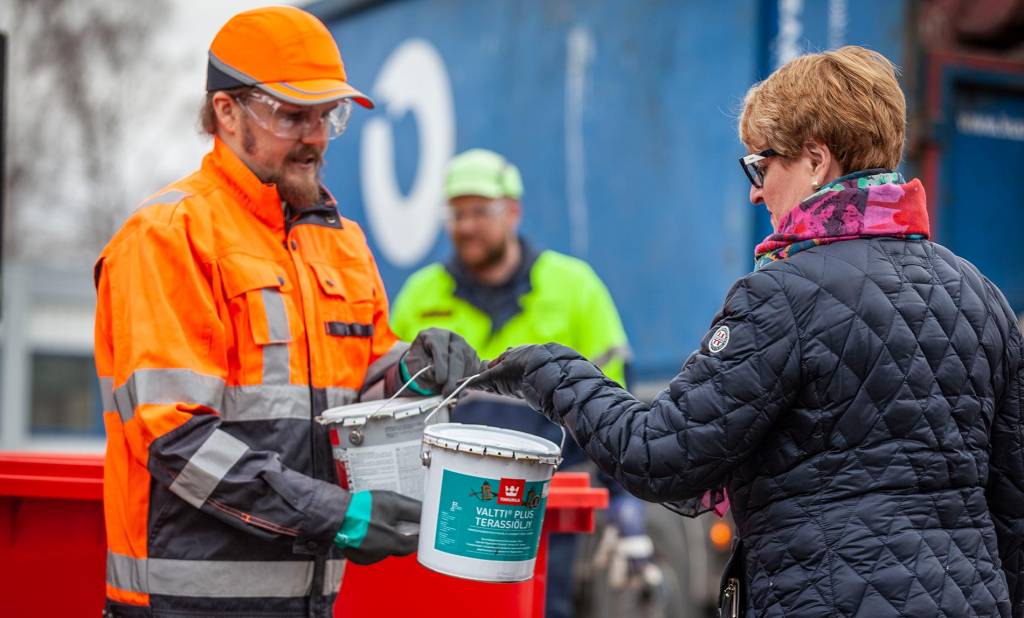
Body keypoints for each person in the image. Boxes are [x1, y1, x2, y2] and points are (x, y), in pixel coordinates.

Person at [469, 46, 1024, 617]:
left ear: (815, 161)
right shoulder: (980, 295)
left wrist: (548, 369)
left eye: (762, 165)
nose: (755, 191)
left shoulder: (784, 295)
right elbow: (1014, 505)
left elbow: (661, 452)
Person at [93, 7, 480, 617]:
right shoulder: (169, 237)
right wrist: (337, 514)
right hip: (185, 607)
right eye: (293, 115)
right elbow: (174, 440)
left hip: (308, 603)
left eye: (328, 115)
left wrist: (413, 371)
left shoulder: (341, 240)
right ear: (226, 111)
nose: (317, 136)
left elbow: (359, 394)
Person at [390, 148, 651, 617]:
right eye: (456, 213)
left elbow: (615, 406)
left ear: (513, 211)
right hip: (452, 509)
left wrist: (623, 503)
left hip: (546, 505)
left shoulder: (574, 288)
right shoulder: (419, 296)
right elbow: (393, 406)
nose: (466, 225)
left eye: (480, 211)